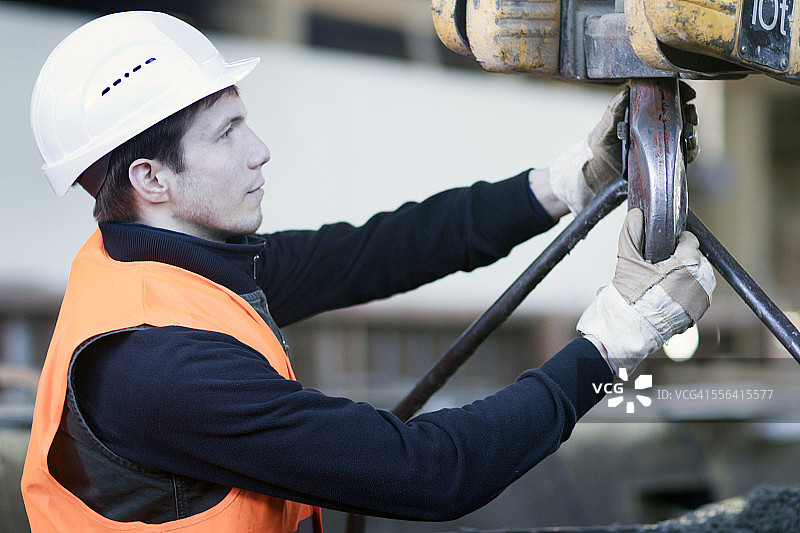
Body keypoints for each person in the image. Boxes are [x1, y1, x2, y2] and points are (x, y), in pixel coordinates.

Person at [21, 11, 715, 533]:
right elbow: (437, 472)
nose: (260, 151)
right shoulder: (158, 365)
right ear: (152, 177)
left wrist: (565, 182)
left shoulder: (164, 265)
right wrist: (612, 347)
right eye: (227, 132)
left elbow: (377, 251)